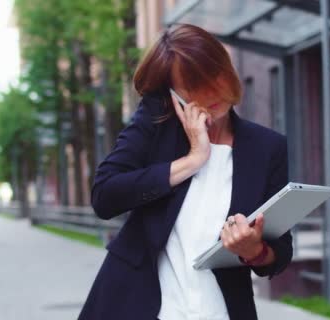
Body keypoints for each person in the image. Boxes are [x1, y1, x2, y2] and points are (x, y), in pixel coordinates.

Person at [78, 23, 293, 320]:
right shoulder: (156, 122)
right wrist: (193, 160)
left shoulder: (267, 147)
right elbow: (105, 195)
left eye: (214, 75)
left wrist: (253, 249)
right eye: (194, 86)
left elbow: (279, 253)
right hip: (143, 308)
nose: (211, 92)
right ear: (175, 95)